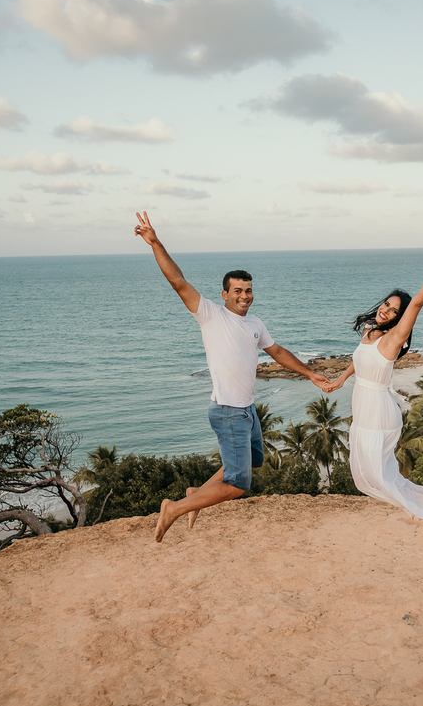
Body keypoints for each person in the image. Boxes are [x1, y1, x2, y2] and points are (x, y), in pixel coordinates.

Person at [134, 211, 331, 542]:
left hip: (248, 410)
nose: (245, 295)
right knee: (239, 484)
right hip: (227, 411)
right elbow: (178, 281)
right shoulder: (210, 314)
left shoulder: (255, 325)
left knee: (251, 463)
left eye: (249, 290)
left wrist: (311, 373)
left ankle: (198, 493)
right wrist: (155, 242)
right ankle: (175, 509)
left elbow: (278, 353)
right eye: (238, 290)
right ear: (224, 294)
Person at [325, 244, 423, 533]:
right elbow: (361, 360)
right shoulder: (369, 332)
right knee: (367, 474)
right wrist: (341, 379)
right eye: (386, 305)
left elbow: (416, 305)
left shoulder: (393, 340)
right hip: (364, 407)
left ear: (399, 319)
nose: (386, 311)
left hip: (379, 410)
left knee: (377, 474)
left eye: (393, 311)